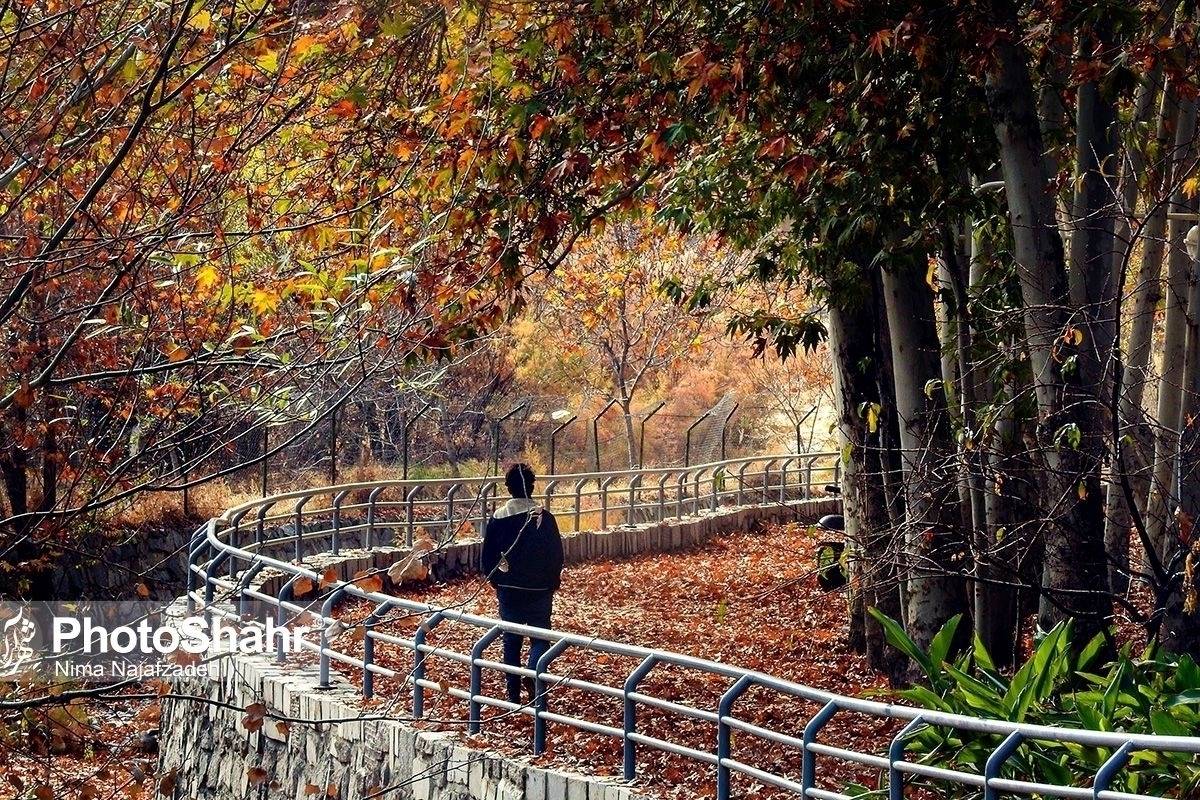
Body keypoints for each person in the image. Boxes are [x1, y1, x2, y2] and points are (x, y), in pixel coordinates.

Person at [481, 462, 565, 704]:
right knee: (540, 638)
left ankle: (513, 696)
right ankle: (534, 675)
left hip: (509, 589)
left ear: (508, 489)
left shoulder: (498, 518)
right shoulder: (544, 517)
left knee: (511, 640)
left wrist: (497, 581)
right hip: (540, 589)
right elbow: (556, 554)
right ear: (532, 486)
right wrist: (552, 582)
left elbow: (487, 557)